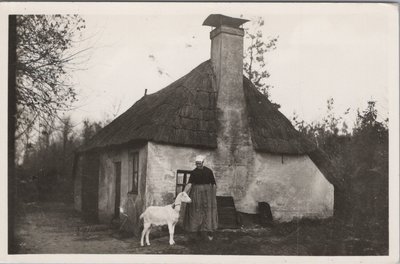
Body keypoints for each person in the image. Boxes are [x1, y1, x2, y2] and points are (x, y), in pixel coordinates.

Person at [183, 155, 218, 241]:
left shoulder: (209, 171)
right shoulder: (194, 172)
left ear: (203, 162)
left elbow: (213, 184)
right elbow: (190, 184)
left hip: (207, 194)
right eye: (196, 163)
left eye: (199, 163)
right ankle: (195, 231)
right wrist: (184, 192)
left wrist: (213, 196)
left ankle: (208, 231)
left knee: (207, 211)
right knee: (195, 210)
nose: (198, 165)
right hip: (196, 194)